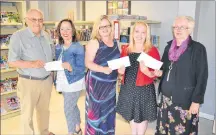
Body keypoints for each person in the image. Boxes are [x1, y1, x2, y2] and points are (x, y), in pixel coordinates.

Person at [154, 16, 208, 135]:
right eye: (176, 27)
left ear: (190, 29)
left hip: (185, 101)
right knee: (164, 130)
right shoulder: (169, 47)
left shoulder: (198, 49)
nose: (178, 29)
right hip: (165, 100)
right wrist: (159, 73)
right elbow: (164, 69)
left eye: (182, 27)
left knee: (181, 131)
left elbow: (202, 77)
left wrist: (196, 101)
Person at [8, 9, 54, 135]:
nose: (37, 23)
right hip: (28, 81)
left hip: (46, 80)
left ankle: (44, 132)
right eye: (34, 19)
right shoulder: (18, 36)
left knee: (44, 111)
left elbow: (51, 55)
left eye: (40, 20)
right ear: (26, 20)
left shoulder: (46, 35)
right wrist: (31, 64)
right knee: (27, 114)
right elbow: (11, 61)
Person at [116, 21, 161, 135]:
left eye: (143, 32)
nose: (139, 35)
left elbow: (155, 75)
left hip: (144, 89)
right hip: (128, 88)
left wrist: (146, 71)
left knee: (141, 117)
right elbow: (121, 70)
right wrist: (120, 72)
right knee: (131, 115)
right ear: (132, 33)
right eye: (137, 31)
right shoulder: (126, 49)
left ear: (147, 34)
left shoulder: (152, 50)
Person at [85, 15, 120, 135]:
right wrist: (103, 69)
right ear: (97, 29)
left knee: (109, 113)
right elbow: (88, 63)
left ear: (111, 27)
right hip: (96, 86)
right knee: (97, 114)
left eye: (107, 26)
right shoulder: (94, 42)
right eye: (101, 27)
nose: (104, 29)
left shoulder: (116, 42)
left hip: (110, 86)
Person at [55, 19, 85, 135]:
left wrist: (71, 68)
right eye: (62, 29)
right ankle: (77, 127)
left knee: (68, 108)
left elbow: (82, 68)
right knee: (72, 105)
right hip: (62, 81)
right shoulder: (59, 46)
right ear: (59, 31)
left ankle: (71, 132)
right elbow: (58, 63)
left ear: (73, 31)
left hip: (74, 81)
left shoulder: (77, 47)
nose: (65, 31)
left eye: (68, 28)